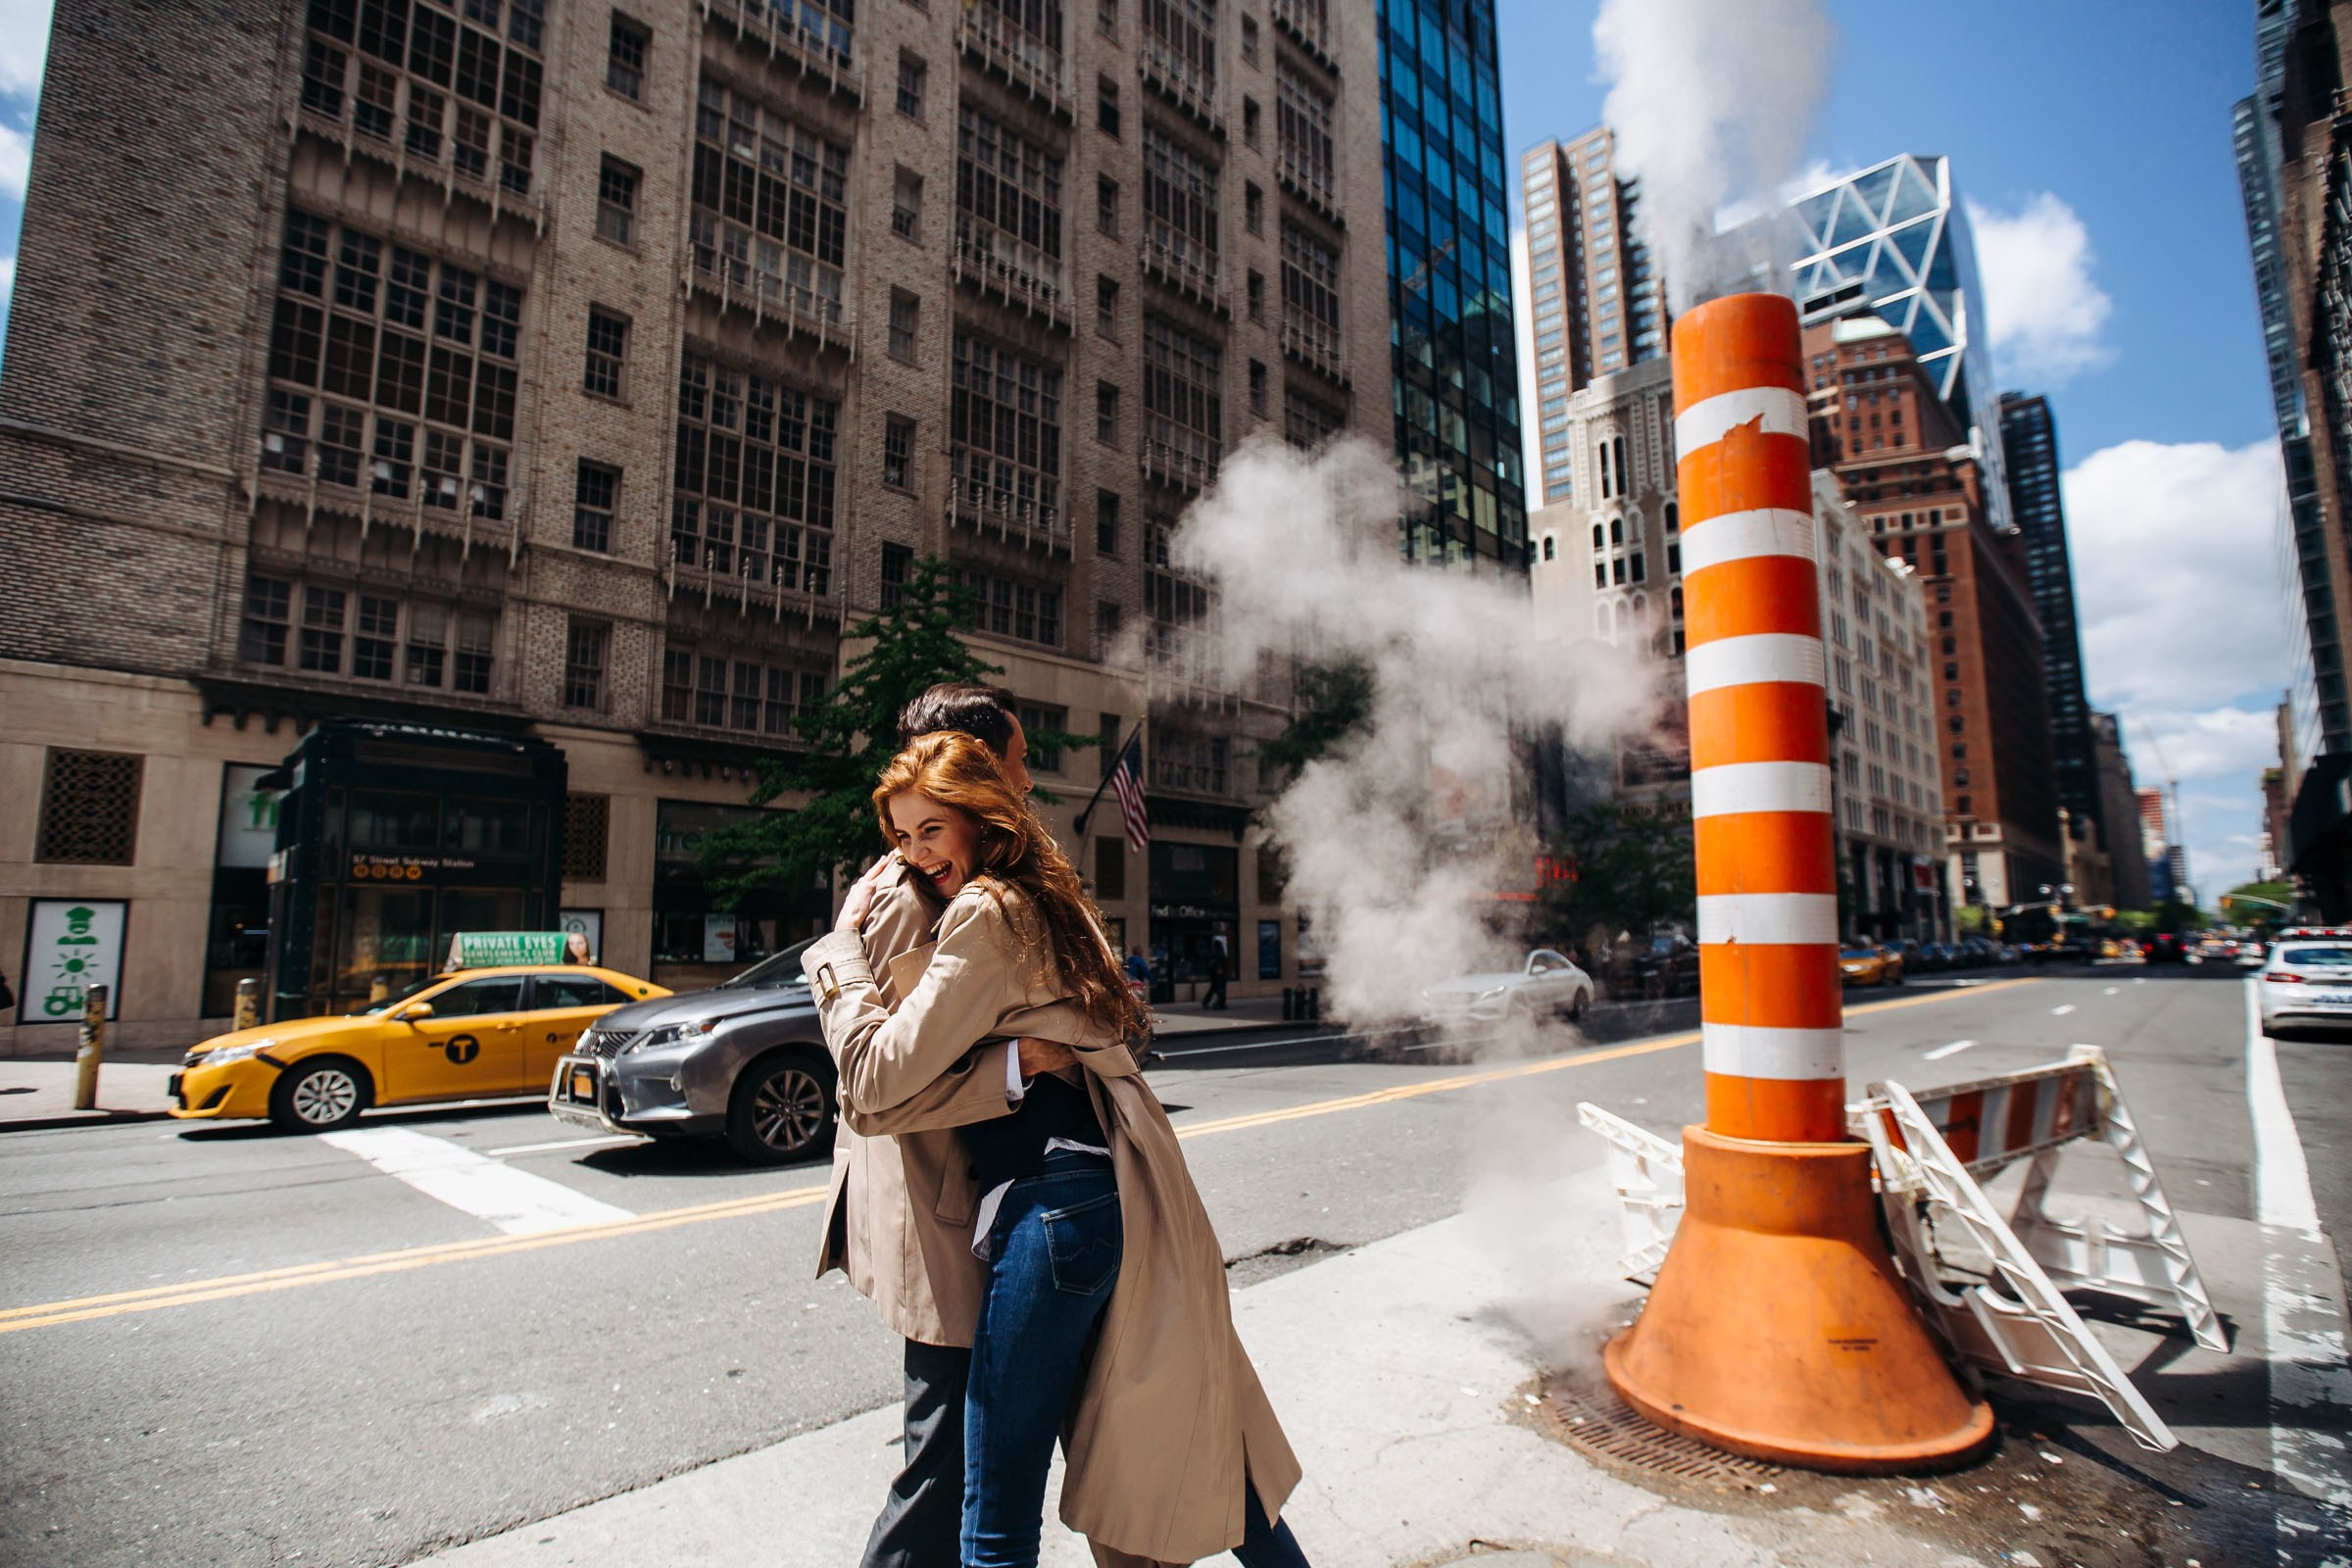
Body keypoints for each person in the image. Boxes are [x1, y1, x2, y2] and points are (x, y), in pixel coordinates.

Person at [806, 732, 1310, 1568]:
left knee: (995, 1509)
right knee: (1193, 1431)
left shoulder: (981, 912)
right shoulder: (1045, 898)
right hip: (1107, 1195)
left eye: (931, 830)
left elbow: (873, 1079)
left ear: (979, 817)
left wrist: (838, 959)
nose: (914, 855)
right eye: (901, 836)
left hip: (1046, 1212)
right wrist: (1008, 1063)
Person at [823, 682, 1060, 1568]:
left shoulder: (971, 876)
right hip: (941, 1213)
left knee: (974, 1456)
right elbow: (873, 1087)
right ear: (969, 768)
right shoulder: (904, 893)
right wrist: (1016, 1068)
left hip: (982, 1208)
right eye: (1019, 757)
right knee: (942, 1461)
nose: (1029, 778)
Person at [1203, 942, 1229, 1010]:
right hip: (1220, 975)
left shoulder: (1212, 953)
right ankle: (1221, 1003)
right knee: (1220, 989)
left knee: (1214, 988)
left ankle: (1206, 1001)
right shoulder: (1220, 953)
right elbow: (1223, 964)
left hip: (1213, 974)